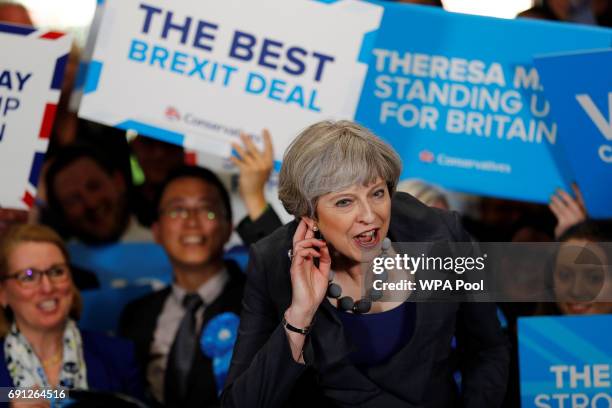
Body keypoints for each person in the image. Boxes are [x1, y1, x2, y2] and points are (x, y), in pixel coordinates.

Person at [222, 120, 509, 407]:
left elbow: (487, 350)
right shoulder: (273, 261)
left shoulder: (442, 235)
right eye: (345, 202)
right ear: (309, 216)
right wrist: (300, 315)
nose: (370, 215)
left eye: (377, 193)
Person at [119, 163, 281, 408]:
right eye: (177, 211)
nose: (192, 222)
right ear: (157, 231)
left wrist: (254, 196)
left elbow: (288, 275)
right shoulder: (136, 315)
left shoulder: (264, 299)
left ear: (228, 229)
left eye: (208, 211)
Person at [0, 224, 143, 403]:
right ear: (3, 293)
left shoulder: (118, 356)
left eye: (57, 272)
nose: (47, 287)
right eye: (28, 276)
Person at [43, 144, 152, 245]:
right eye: (73, 200)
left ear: (118, 182)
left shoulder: (162, 249)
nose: (91, 203)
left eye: (94, 186)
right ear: (62, 213)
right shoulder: (59, 259)